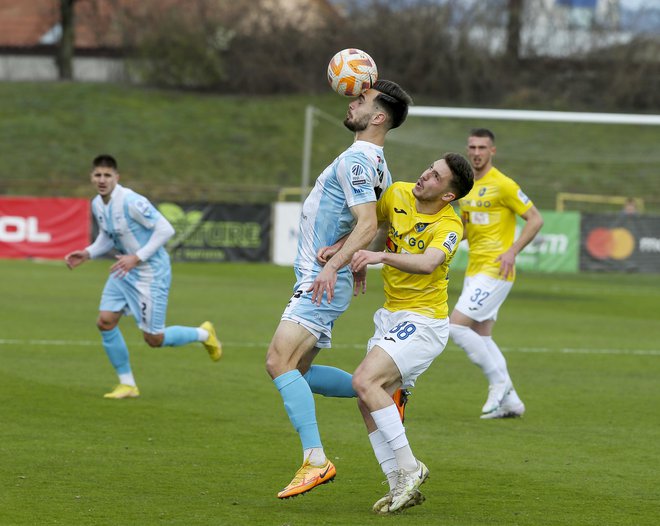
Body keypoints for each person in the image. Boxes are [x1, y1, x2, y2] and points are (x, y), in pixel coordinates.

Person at [265, 80, 413, 499]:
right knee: (299, 372)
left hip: (321, 278)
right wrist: (355, 258)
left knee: (279, 361)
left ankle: (316, 459)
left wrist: (335, 264)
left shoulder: (357, 161)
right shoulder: (380, 164)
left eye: (362, 100)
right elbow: (380, 224)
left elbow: (369, 223)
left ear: (379, 117)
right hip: (328, 275)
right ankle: (382, 392)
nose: (352, 103)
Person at [348, 154, 474, 513]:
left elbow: (429, 263)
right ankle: (399, 485)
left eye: (436, 176)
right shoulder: (398, 193)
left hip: (424, 322)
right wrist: (355, 255)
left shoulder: (450, 225)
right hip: (390, 316)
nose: (425, 175)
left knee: (364, 381)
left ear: (448, 195)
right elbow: (374, 227)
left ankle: (410, 467)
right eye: (429, 168)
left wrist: (380, 259)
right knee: (368, 399)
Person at [64, 154, 222, 399]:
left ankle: (204, 334)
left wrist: (136, 257)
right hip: (124, 269)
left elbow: (166, 229)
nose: (102, 179)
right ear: (91, 177)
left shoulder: (131, 201)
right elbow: (107, 236)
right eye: (98, 175)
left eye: (107, 175)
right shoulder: (97, 203)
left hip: (150, 272)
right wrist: (88, 252)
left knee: (154, 338)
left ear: (117, 177)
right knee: (105, 321)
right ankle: (127, 384)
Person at [449, 129, 544, 418]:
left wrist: (512, 251)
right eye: (472, 147)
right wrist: (445, 246)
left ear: (492, 151)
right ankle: (512, 402)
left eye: (482, 147)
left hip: (497, 269)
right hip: (475, 269)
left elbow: (535, 219)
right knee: (482, 335)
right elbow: (465, 227)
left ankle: (499, 382)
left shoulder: (503, 185)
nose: (476, 152)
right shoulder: (466, 187)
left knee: (455, 326)